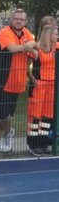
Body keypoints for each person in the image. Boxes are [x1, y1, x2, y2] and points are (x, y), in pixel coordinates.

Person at [0, 8, 37, 153]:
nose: (18, 21)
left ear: (26, 21)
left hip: (16, 81)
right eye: (16, 18)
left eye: (21, 19)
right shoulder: (5, 32)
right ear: (11, 20)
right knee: (3, 113)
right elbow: (13, 48)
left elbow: (36, 52)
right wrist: (28, 47)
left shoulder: (27, 34)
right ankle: (9, 132)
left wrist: (30, 47)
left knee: (2, 114)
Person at [26, 24, 59, 155]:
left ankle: (43, 143)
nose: (57, 36)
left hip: (52, 86)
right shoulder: (36, 48)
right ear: (48, 35)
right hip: (39, 85)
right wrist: (33, 80)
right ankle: (33, 144)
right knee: (35, 115)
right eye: (55, 33)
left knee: (47, 115)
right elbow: (25, 66)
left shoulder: (56, 47)